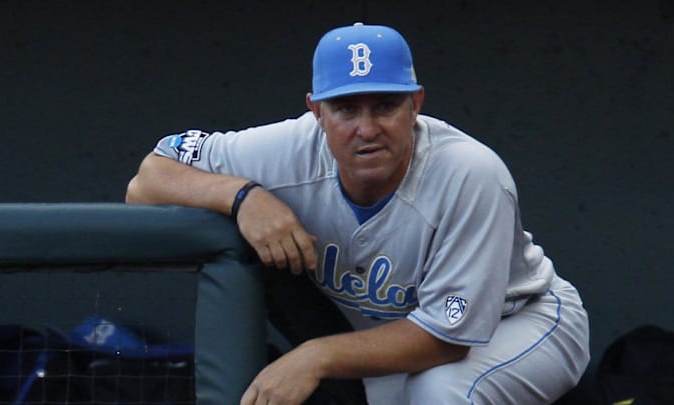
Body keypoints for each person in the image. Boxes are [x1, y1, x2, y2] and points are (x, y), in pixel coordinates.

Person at [126, 22, 590, 405]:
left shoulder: (471, 174)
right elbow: (147, 181)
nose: (367, 128)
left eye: (385, 105)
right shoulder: (285, 152)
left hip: (523, 321)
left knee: (441, 393)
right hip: (390, 338)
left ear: (416, 105)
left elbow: (449, 340)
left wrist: (314, 356)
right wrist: (243, 196)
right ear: (316, 112)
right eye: (346, 108)